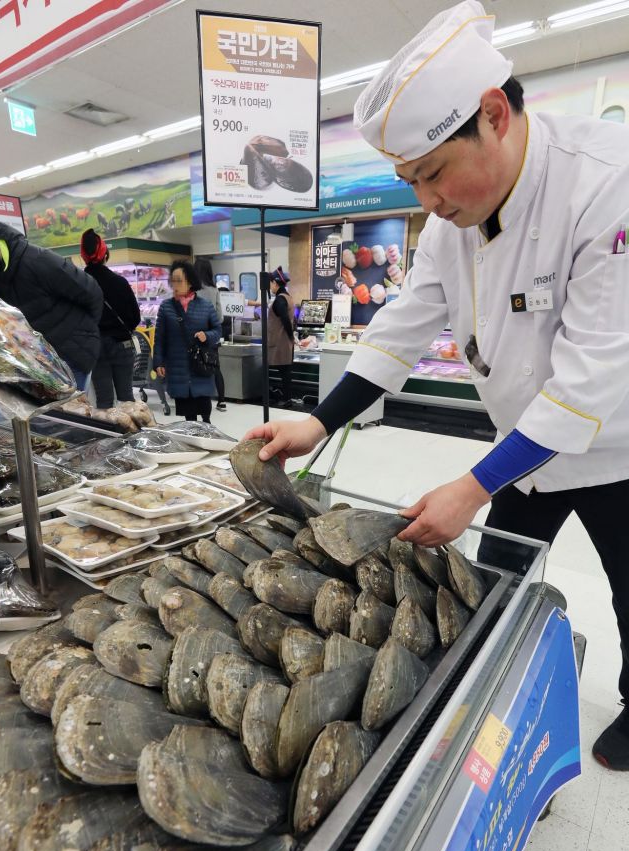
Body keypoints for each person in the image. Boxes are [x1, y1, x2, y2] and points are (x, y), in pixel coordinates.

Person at [245, 0, 629, 770]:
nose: (428, 200)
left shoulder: (604, 182)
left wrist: (471, 487)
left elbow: (589, 382)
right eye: (409, 181)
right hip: (524, 449)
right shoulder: (452, 224)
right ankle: (500, 694)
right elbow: (401, 328)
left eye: (433, 173)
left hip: (617, 447)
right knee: (496, 583)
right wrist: (317, 424)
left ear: (494, 115)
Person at [0, 220, 102, 390]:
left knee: (68, 407)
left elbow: (91, 292)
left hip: (70, 357)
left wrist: (84, 336)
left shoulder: (36, 260)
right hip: (32, 366)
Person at [153, 260, 221, 422]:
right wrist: (158, 362)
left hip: (200, 365)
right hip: (178, 366)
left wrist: (207, 336)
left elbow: (218, 330)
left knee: (204, 410)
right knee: (188, 415)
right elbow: (160, 338)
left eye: (179, 280)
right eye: (173, 281)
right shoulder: (166, 307)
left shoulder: (205, 306)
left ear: (190, 282)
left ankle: (207, 432)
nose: (175, 285)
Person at [80, 228, 141, 409]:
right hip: (122, 345)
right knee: (126, 398)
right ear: (105, 254)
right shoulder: (120, 283)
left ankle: (107, 427)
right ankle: (131, 426)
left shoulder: (79, 284)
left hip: (96, 348)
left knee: (104, 401)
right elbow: (135, 317)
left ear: (83, 256)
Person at [194, 256, 227, 411]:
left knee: (196, 367)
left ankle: (200, 401)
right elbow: (220, 317)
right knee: (215, 367)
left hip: (196, 336)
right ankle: (221, 401)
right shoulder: (214, 290)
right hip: (212, 335)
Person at [267, 266, 295, 407]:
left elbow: (285, 320)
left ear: (275, 283)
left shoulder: (279, 300)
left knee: (284, 372)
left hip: (280, 342)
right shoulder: (288, 298)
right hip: (285, 341)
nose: (270, 286)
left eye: (270, 283)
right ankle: (285, 397)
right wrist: (292, 337)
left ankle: (286, 399)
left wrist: (291, 336)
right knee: (285, 371)